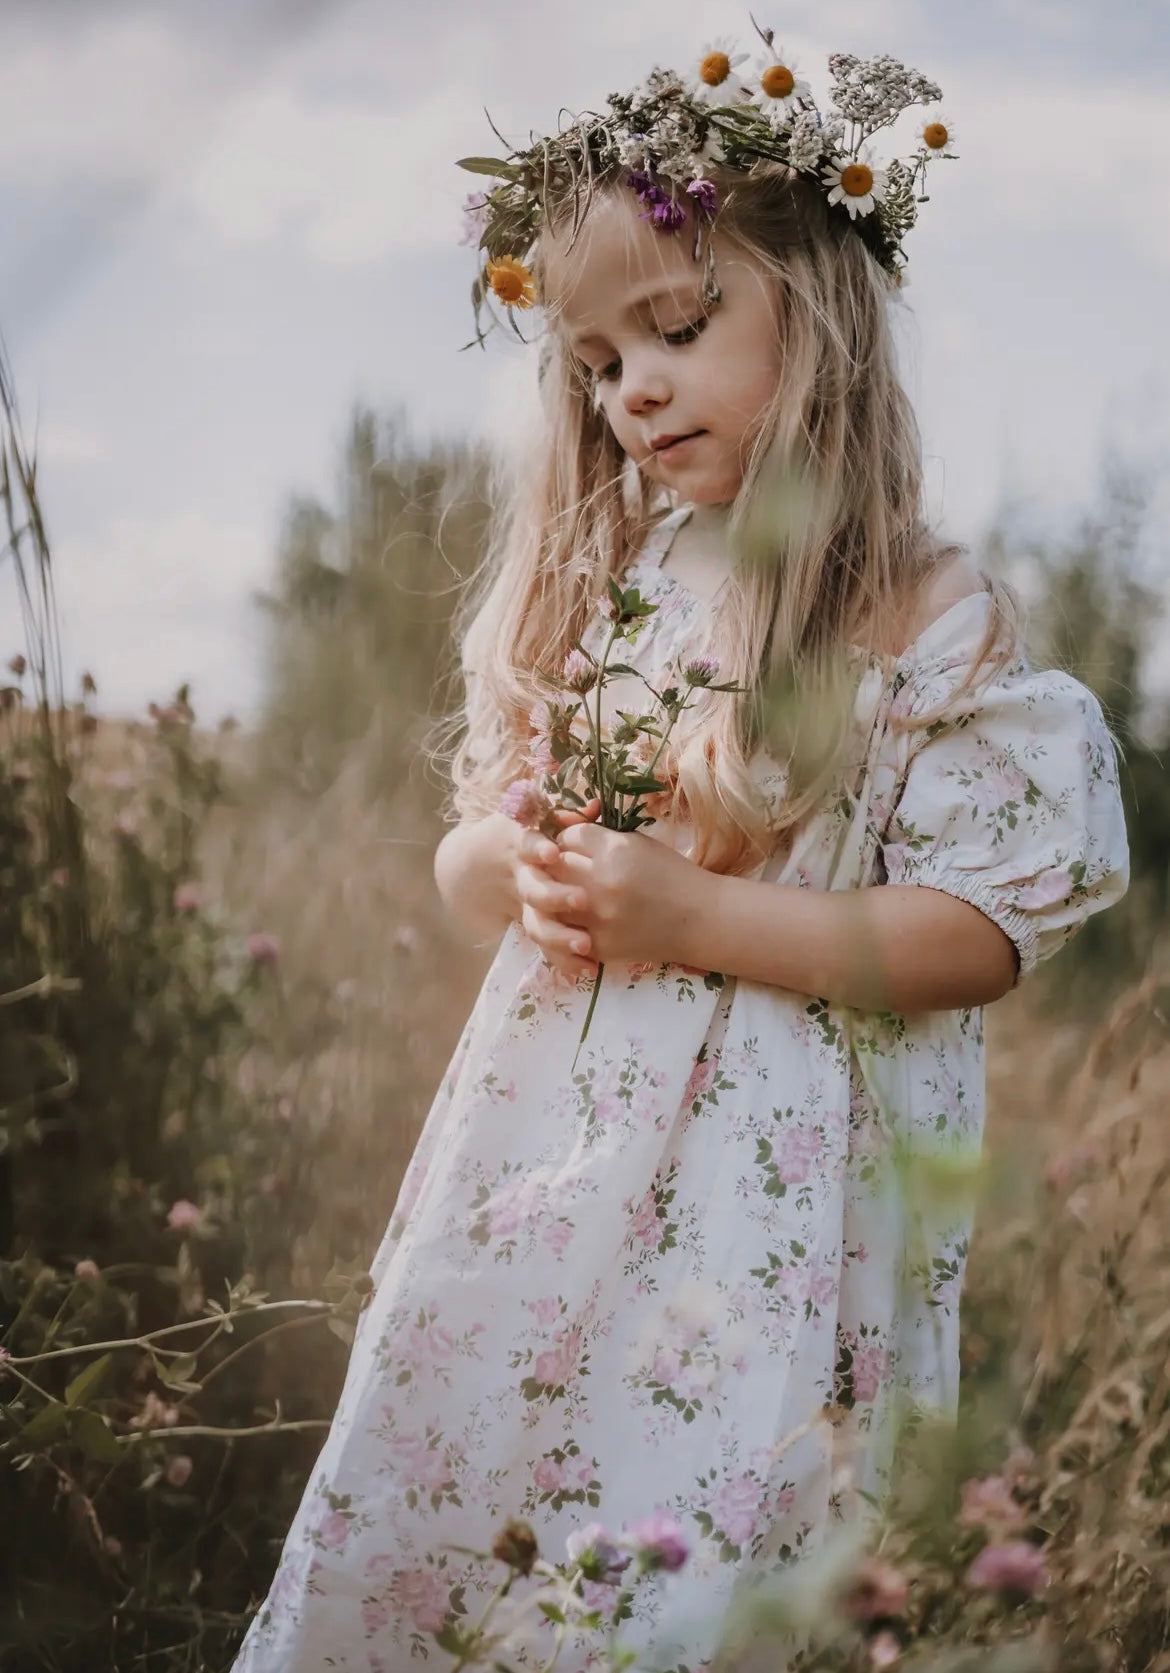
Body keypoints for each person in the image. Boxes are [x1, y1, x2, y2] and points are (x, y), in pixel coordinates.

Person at [231, 30, 1129, 1673]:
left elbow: (975, 932)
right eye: (591, 357)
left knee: (721, 1541)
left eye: (676, 325)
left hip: (778, 1215)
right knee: (505, 1514)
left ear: (821, 318)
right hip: (555, 1172)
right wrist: (526, 876)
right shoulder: (626, 586)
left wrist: (694, 911)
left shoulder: (918, 612)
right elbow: (467, 854)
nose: (629, 386)